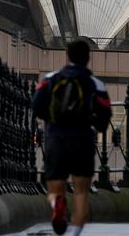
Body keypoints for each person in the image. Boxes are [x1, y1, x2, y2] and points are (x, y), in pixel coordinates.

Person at [31, 39, 111, 236]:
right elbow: (104, 117)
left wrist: (51, 120)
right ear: (88, 58)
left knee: (55, 188)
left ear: (67, 56)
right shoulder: (96, 84)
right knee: (81, 192)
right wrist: (95, 126)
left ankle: (57, 203)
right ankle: (73, 233)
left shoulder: (50, 79)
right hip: (82, 141)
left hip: (56, 139)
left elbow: (37, 106)